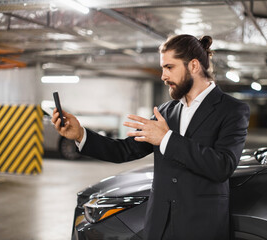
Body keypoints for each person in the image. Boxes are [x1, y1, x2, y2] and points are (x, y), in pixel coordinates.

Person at [52, 34, 250, 240]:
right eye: (162, 68)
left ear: (193, 66)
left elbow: (222, 166)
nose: (163, 76)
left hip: (202, 227)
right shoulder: (166, 111)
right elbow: (125, 149)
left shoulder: (232, 110)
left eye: (169, 67)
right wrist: (80, 134)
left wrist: (166, 139)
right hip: (159, 227)